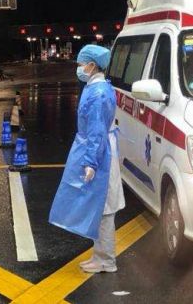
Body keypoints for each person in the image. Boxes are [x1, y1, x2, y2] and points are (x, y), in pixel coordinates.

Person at [49, 44, 125, 273]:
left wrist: (91, 162)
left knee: (104, 207)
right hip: (97, 149)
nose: (79, 68)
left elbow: (96, 131)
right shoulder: (96, 87)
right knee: (98, 206)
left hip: (100, 153)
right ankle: (99, 256)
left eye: (81, 64)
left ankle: (106, 260)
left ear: (92, 65)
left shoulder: (98, 93)